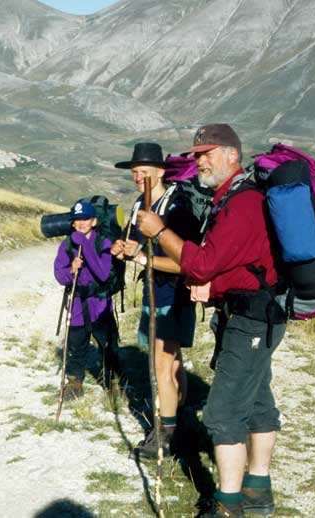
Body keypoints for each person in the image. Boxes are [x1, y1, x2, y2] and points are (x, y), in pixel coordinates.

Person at [135, 124, 286, 518]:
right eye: (196, 155)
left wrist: (161, 230)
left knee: (221, 414)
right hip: (250, 313)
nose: (199, 161)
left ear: (232, 156)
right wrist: (215, 285)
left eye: (207, 153)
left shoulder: (242, 203)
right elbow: (233, 261)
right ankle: (257, 491)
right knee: (257, 404)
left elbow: (201, 262)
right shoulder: (231, 199)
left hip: (251, 320)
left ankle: (228, 505)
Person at [110, 142, 202, 459]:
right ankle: (179, 419)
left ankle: (165, 433)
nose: (138, 177)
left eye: (143, 172)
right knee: (170, 361)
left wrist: (142, 259)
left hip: (174, 296)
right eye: (134, 172)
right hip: (155, 295)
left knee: (161, 364)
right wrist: (126, 248)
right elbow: (139, 246)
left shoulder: (179, 209)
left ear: (161, 171)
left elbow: (186, 262)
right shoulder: (142, 205)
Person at [53, 201, 120, 399]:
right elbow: (59, 275)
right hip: (77, 302)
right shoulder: (66, 245)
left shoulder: (103, 243)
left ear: (94, 221)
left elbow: (102, 274)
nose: (81, 223)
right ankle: (75, 383)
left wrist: (83, 244)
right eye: (77, 220)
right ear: (72, 223)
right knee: (76, 344)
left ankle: (112, 380)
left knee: (108, 343)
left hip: (101, 303)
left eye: (86, 219)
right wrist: (72, 270)